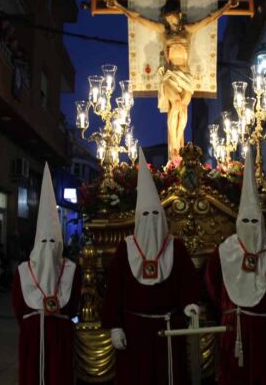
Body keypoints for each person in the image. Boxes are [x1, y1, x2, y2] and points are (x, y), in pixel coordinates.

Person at [101, 147, 199, 385]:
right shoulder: (125, 249)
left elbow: (188, 282)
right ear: (137, 217)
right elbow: (114, 290)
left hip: (169, 330)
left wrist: (190, 305)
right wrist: (115, 327)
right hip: (134, 333)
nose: (151, 220)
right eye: (146, 214)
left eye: (156, 214)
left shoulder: (176, 248)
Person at [106, 0, 239, 160]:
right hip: (170, 74)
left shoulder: (188, 30)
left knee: (183, 108)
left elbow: (210, 19)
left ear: (179, 16)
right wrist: (119, 7)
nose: (170, 22)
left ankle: (178, 147)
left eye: (172, 18)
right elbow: (139, 19)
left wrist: (227, 7)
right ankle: (175, 149)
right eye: (168, 19)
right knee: (175, 104)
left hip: (186, 75)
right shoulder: (163, 31)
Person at [205, 150, 266, 385]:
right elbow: (212, 284)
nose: (251, 226)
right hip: (236, 330)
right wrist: (227, 309)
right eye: (246, 221)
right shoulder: (223, 252)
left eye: (255, 221)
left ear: (261, 223)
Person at [12, 164, 82, 385]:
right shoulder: (23, 272)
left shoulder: (71, 270)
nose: (49, 247)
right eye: (44, 242)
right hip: (32, 338)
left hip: (60, 337)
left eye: (53, 242)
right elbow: (18, 307)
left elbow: (73, 305)